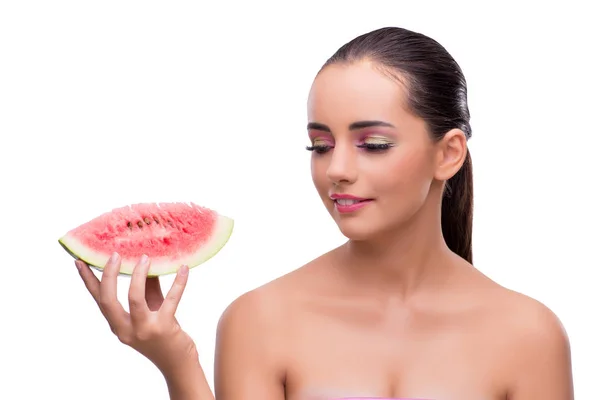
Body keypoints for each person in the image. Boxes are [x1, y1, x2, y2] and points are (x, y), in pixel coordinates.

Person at [74, 26, 574, 400]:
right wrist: (177, 362)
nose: (336, 169)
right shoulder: (260, 319)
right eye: (319, 145)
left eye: (373, 144)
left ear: (449, 154)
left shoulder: (529, 334)